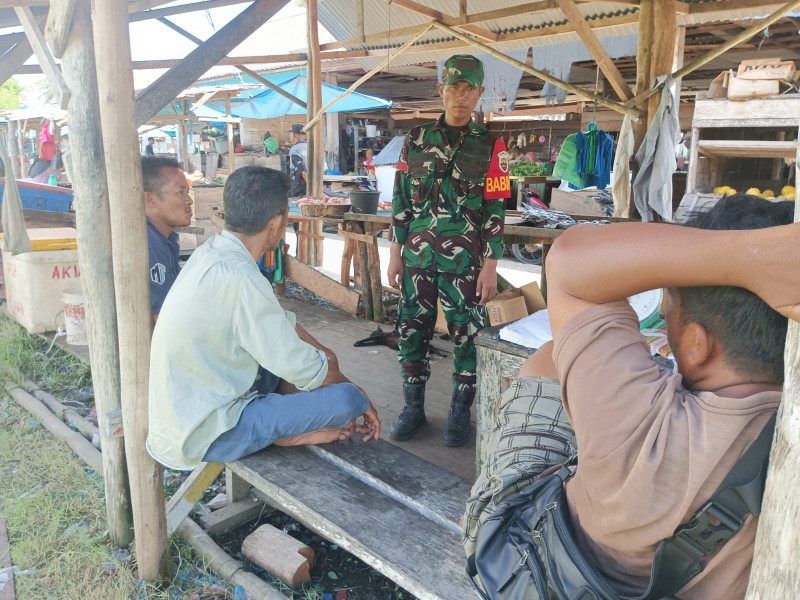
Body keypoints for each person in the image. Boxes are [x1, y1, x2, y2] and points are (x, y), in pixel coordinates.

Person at [464, 195, 798, 599]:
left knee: (548, 358)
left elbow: (568, 264)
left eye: (670, 305)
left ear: (696, 345)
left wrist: (747, 258)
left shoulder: (641, 427)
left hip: (534, 567)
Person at [146, 166, 381, 471]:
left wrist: (330, 359)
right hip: (207, 432)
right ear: (277, 222)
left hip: (183, 414)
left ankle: (282, 431)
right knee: (344, 399)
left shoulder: (213, 252)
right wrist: (360, 398)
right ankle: (279, 434)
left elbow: (281, 323)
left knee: (310, 373)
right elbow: (305, 368)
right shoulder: (242, 277)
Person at [387, 54, 511, 447]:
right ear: (441, 90)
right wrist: (394, 252)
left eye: (469, 89)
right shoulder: (416, 139)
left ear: (480, 93)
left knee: (466, 334)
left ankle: (460, 411)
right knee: (412, 330)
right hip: (417, 258)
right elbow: (400, 200)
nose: (460, 96)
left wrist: (491, 264)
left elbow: (495, 208)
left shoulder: (494, 146)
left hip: (466, 262)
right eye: (453, 87)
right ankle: (413, 407)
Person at [142, 155, 192, 320]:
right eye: (181, 193)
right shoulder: (151, 246)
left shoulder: (164, 237)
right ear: (149, 199)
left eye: (188, 192)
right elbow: (162, 318)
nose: (189, 201)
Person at [288, 123, 308, 198]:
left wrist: (310, 186)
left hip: (299, 189)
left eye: (290, 134)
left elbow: (302, 170)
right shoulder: (313, 147)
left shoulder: (295, 149)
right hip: (316, 186)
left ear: (294, 135)